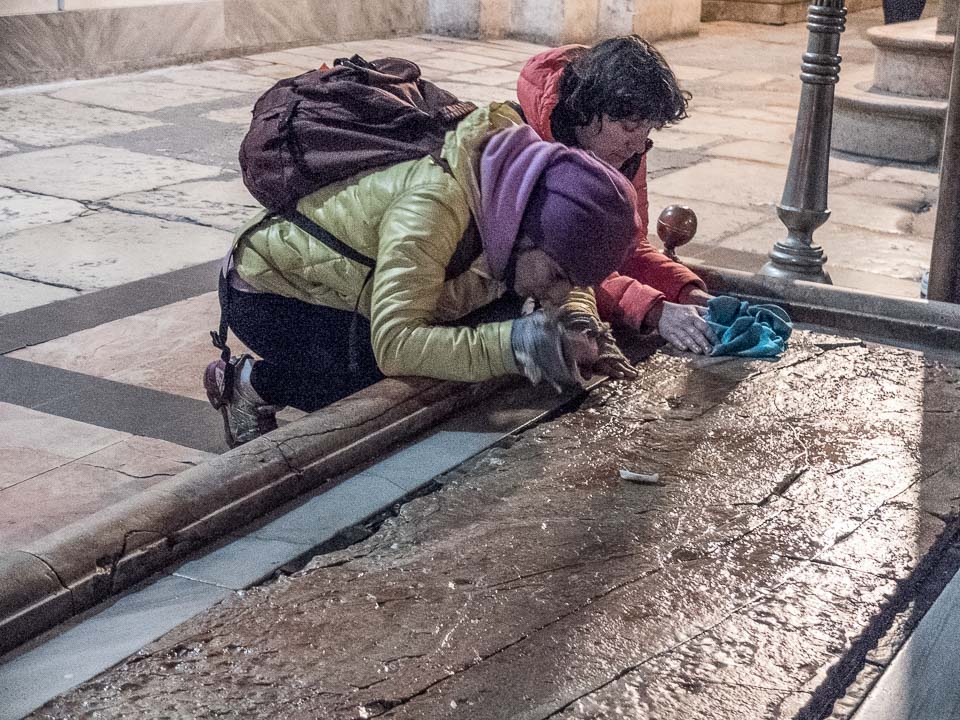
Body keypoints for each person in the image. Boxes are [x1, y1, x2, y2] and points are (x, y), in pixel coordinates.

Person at [204, 104, 639, 447]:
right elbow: (396, 344)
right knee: (389, 379)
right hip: (275, 296)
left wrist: (580, 320)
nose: (559, 291)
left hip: (364, 287)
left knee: (501, 334)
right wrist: (523, 344)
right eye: (558, 274)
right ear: (526, 232)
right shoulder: (433, 208)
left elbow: (572, 277)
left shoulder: (519, 199)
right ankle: (247, 384)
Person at [517, 35, 717, 358]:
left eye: (647, 132)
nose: (638, 146)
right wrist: (654, 310)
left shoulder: (623, 152)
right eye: (629, 128)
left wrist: (687, 292)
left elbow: (627, 248)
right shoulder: (531, 146)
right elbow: (559, 269)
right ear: (590, 108)